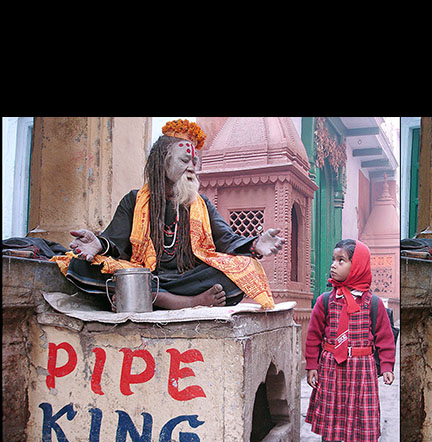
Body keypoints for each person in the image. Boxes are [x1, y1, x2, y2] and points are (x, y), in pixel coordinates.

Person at [51, 119, 285, 310]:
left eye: (195, 161)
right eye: (185, 160)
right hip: (142, 276)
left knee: (244, 269)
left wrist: (255, 245)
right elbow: (116, 244)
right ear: (163, 161)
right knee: (82, 267)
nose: (192, 167)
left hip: (188, 280)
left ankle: (149, 300)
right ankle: (191, 303)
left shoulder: (201, 203)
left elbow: (227, 241)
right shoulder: (134, 200)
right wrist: (98, 245)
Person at [304, 239, 396, 442]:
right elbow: (313, 335)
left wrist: (386, 366)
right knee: (331, 415)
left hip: (361, 370)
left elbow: (385, 339)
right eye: (334, 260)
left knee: (360, 417)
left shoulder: (373, 304)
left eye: (341, 260)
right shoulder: (325, 301)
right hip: (331, 367)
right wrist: (311, 365)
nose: (334, 265)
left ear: (357, 266)